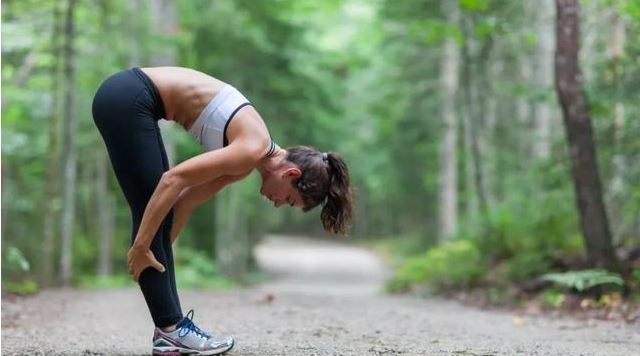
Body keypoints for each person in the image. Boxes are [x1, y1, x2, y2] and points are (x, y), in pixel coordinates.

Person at [91, 66, 353, 355]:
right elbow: (173, 180)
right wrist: (142, 245)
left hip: (129, 98)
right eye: (289, 199)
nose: (278, 204)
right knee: (150, 207)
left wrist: (160, 255)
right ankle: (171, 331)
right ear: (291, 173)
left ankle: (170, 332)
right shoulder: (251, 148)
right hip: (129, 96)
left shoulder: (244, 161)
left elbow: (185, 201)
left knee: (156, 214)